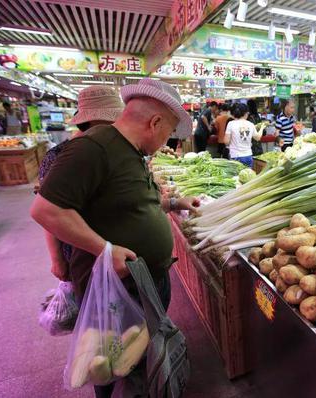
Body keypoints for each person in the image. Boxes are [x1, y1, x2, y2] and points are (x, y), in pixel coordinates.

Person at [31, 79, 199, 398]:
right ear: (155, 122)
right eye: (168, 133)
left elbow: (131, 203)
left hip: (143, 281)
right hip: (115, 286)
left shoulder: (129, 151)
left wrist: (175, 203)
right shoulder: (92, 148)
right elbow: (45, 210)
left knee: (135, 361)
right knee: (109, 363)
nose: (166, 142)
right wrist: (104, 249)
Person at [37, 86, 124, 282]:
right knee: (93, 306)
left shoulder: (109, 149)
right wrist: (57, 259)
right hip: (82, 251)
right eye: (112, 119)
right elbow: (48, 212)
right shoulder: (59, 156)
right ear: (93, 121)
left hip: (116, 248)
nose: (117, 125)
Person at [224, 102, 262, 167]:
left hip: (235, 156)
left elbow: (226, 142)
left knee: (236, 176)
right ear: (245, 113)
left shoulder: (231, 124)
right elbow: (258, 138)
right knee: (248, 175)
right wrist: (262, 128)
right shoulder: (250, 124)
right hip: (248, 156)